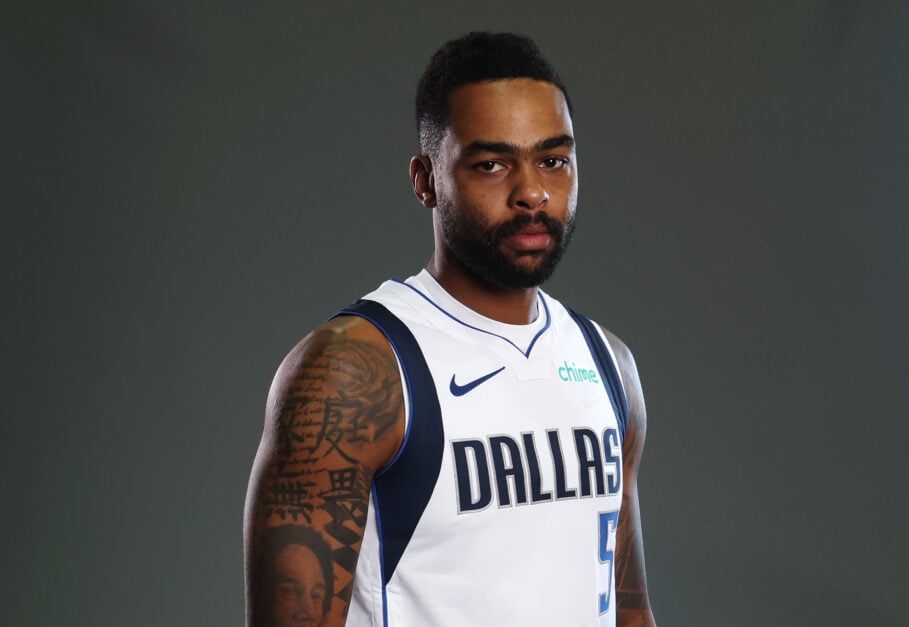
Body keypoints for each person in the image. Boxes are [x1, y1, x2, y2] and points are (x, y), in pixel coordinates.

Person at [245, 31, 656, 626]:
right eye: (492, 164)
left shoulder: (607, 364)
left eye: (553, 160)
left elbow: (629, 612)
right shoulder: (355, 373)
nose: (532, 192)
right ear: (426, 179)